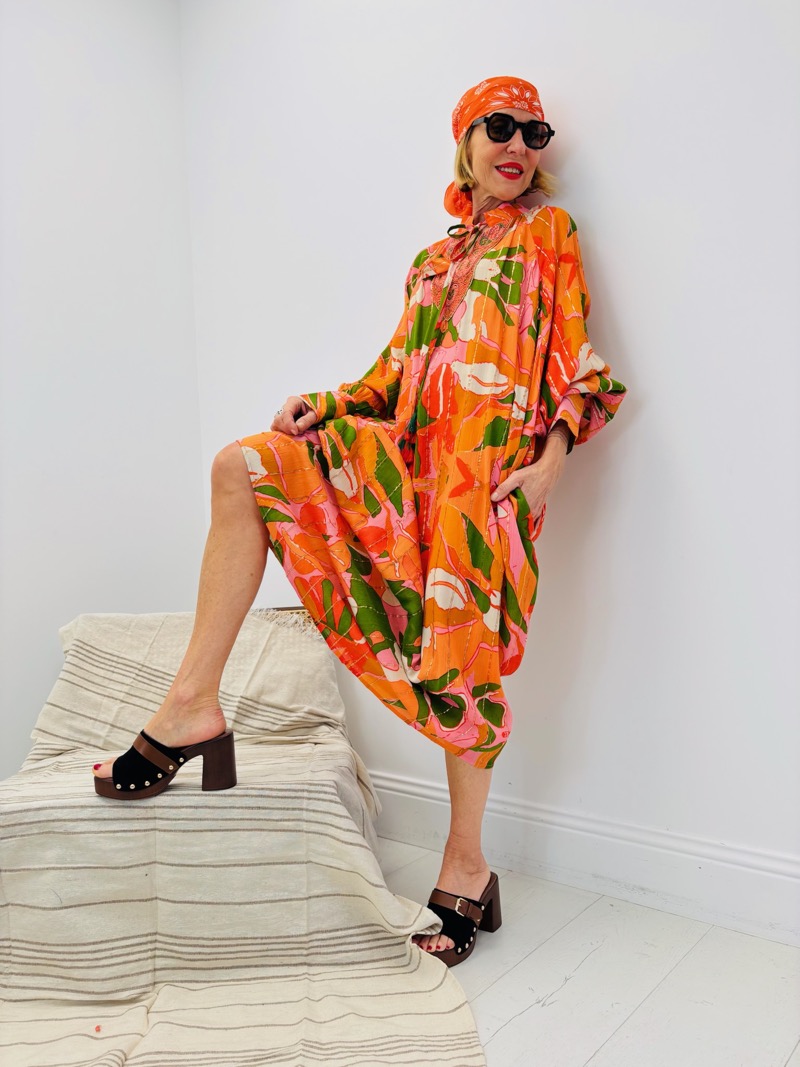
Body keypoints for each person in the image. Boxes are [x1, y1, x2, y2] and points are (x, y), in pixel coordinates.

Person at [92, 76, 626, 966]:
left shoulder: (549, 234)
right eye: (500, 126)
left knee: (462, 662)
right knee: (244, 466)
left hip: (484, 481)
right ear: (465, 139)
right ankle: (191, 705)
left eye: (534, 133)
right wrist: (328, 405)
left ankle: (467, 866)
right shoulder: (431, 260)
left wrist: (550, 463)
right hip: (406, 467)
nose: (518, 146)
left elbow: (579, 359)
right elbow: (395, 376)